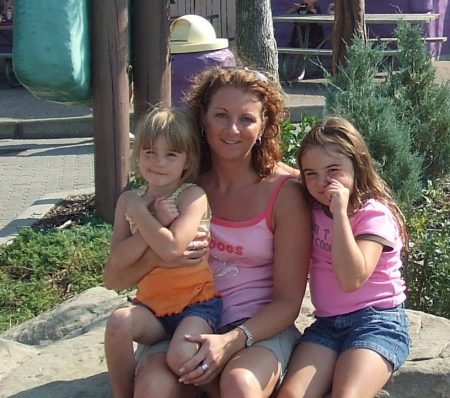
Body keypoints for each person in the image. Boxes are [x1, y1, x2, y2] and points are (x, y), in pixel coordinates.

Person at [102, 66, 312, 398]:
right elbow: (114, 279)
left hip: (256, 329)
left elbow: (288, 302)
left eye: (246, 119)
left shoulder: (285, 192)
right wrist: (161, 254)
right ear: (202, 119)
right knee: (153, 388)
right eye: (221, 115)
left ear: (264, 126)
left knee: (240, 384)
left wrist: (231, 341)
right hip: (180, 320)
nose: (232, 129)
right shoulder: (182, 185)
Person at [278, 117, 411, 398]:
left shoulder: (373, 214)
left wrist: (340, 213)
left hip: (377, 322)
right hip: (328, 325)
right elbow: (278, 172)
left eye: (333, 170)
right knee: (291, 394)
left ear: (357, 165)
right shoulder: (311, 205)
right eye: (310, 173)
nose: (322, 181)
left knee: (346, 394)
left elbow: (352, 278)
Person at [104, 106, 222, 398]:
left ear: (187, 160)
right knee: (118, 322)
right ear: (137, 153)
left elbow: (171, 248)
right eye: (149, 152)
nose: (158, 162)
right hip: (151, 309)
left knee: (180, 355)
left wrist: (145, 217)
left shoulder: (192, 196)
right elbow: (116, 263)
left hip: (196, 306)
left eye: (171, 154)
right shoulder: (129, 200)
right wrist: (151, 218)